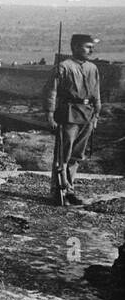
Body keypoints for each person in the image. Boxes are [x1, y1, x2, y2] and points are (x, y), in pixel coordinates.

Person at [44, 34, 101, 206]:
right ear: (75, 47)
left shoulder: (92, 68)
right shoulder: (63, 67)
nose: (91, 50)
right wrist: (50, 114)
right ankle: (58, 190)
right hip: (68, 114)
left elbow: (96, 94)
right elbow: (51, 92)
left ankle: (70, 189)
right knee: (63, 155)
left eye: (92, 46)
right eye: (87, 46)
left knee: (77, 155)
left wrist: (96, 115)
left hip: (87, 115)